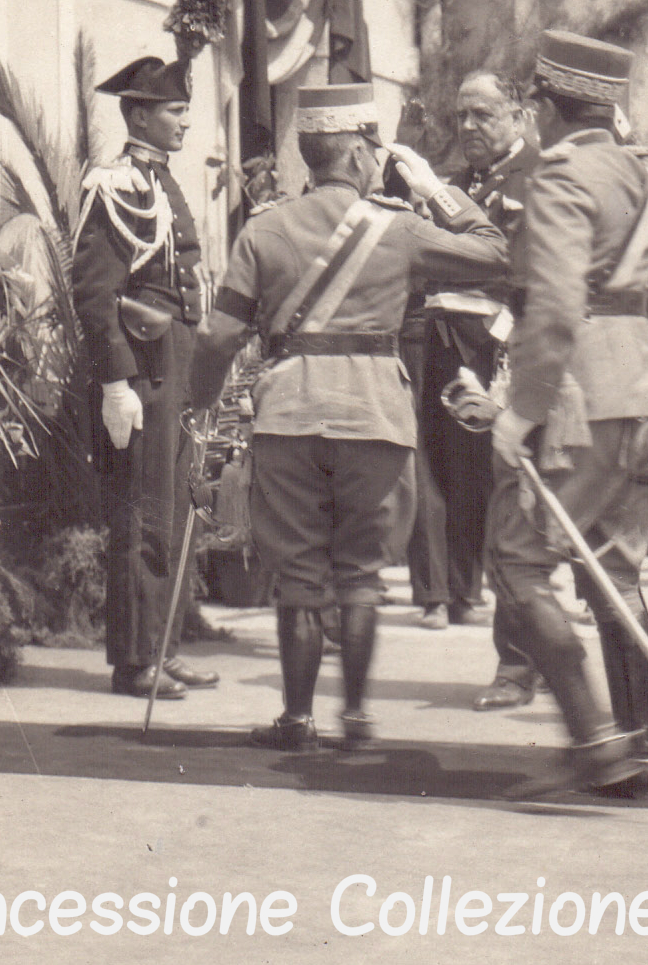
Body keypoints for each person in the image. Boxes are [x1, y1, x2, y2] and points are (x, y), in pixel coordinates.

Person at [187, 83, 508, 750]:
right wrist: (432, 188)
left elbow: (219, 338)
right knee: (359, 574)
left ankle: (298, 718)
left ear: (310, 154)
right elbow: (493, 251)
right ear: (363, 155)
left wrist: (200, 402)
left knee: (299, 576)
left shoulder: (265, 228)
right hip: (375, 420)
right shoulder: (399, 228)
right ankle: (356, 718)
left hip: (289, 416)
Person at [485, 30, 648, 798]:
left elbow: (560, 305)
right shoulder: (636, 172)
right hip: (644, 383)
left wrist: (518, 413)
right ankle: (645, 751)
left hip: (585, 391)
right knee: (616, 577)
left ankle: (597, 740)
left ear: (544, 104)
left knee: (518, 559)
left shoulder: (561, 172)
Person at [72, 56, 218, 701]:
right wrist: (115, 382)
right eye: (173, 110)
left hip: (177, 372)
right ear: (137, 115)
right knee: (143, 516)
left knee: (177, 511)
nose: (185, 120)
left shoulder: (162, 181)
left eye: (185, 109)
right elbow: (95, 292)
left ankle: (165, 644)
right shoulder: (117, 184)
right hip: (145, 376)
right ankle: (135, 661)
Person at [404, 70, 535, 632]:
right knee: (427, 461)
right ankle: (434, 591)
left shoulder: (536, 179)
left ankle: (468, 587)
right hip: (433, 334)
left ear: (517, 116)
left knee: (477, 468)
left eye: (482, 114)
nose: (468, 125)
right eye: (461, 115)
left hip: (495, 340)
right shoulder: (453, 183)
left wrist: (509, 342)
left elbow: (523, 268)